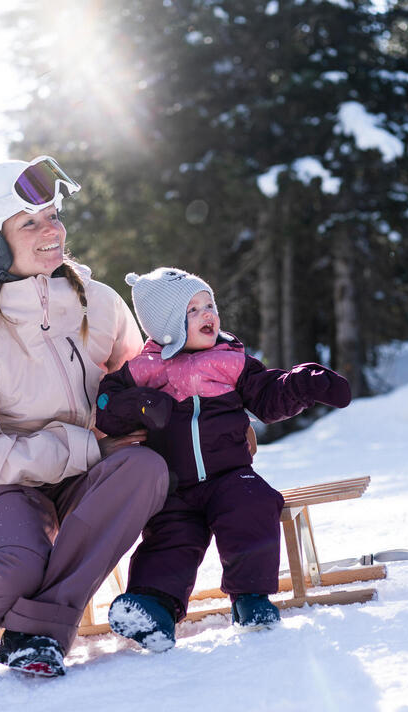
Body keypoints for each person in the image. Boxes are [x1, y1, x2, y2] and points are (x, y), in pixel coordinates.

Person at [0, 157, 169, 680]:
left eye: (53, 215)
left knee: (147, 470)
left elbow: (147, 389)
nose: (53, 230)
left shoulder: (102, 304)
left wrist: (211, 420)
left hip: (87, 478)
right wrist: (87, 446)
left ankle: (39, 631)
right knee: (21, 558)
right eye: (30, 222)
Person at [95, 267, 351, 652]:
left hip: (230, 475)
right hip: (173, 488)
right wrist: (144, 405)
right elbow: (106, 406)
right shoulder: (143, 370)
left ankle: (251, 599)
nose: (208, 314)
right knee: (170, 540)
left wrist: (302, 383)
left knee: (254, 506)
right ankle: (152, 608)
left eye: (209, 304)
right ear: (166, 326)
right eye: (193, 309)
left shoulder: (232, 361)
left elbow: (267, 397)